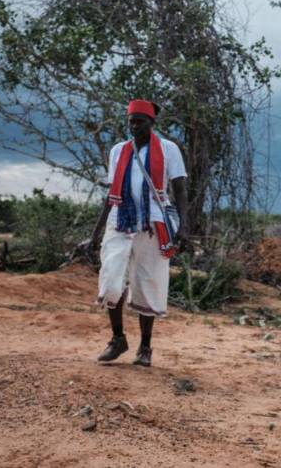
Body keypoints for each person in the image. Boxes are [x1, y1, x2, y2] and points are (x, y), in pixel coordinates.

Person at [86, 99, 188, 367]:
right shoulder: (118, 150)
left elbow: (180, 189)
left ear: (152, 123)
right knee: (111, 279)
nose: (134, 127)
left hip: (153, 223)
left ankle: (145, 347)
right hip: (120, 221)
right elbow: (112, 193)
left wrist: (184, 227)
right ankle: (117, 339)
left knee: (148, 282)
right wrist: (95, 234)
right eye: (131, 122)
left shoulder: (168, 149)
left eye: (139, 122)